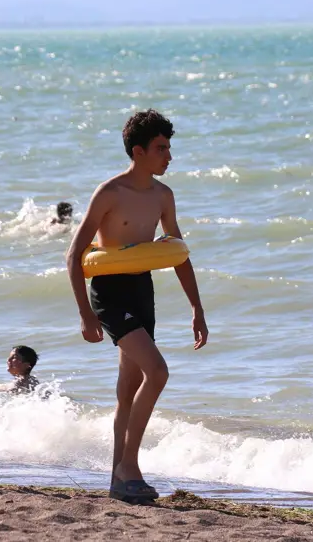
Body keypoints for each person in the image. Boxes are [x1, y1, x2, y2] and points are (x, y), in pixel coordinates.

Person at [65, 109, 208, 503]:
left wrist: (197, 308)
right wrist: (84, 313)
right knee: (157, 372)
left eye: (169, 148)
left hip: (141, 290)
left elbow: (178, 252)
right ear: (139, 150)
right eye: (162, 148)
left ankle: (117, 481)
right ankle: (130, 465)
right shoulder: (110, 193)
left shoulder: (163, 196)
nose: (169, 157)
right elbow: (74, 255)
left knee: (128, 391)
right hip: (109, 294)